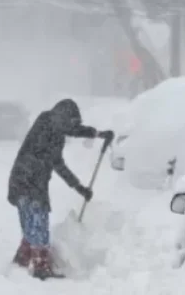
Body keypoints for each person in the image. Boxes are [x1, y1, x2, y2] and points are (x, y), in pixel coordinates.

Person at [6, 98, 114, 280]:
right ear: (62, 117)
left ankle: (23, 259)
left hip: (24, 182)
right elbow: (58, 164)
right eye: (69, 122)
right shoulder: (46, 125)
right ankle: (40, 266)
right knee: (38, 222)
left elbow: (71, 131)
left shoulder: (53, 126)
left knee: (31, 223)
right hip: (29, 182)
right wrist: (79, 187)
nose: (70, 127)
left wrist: (97, 134)